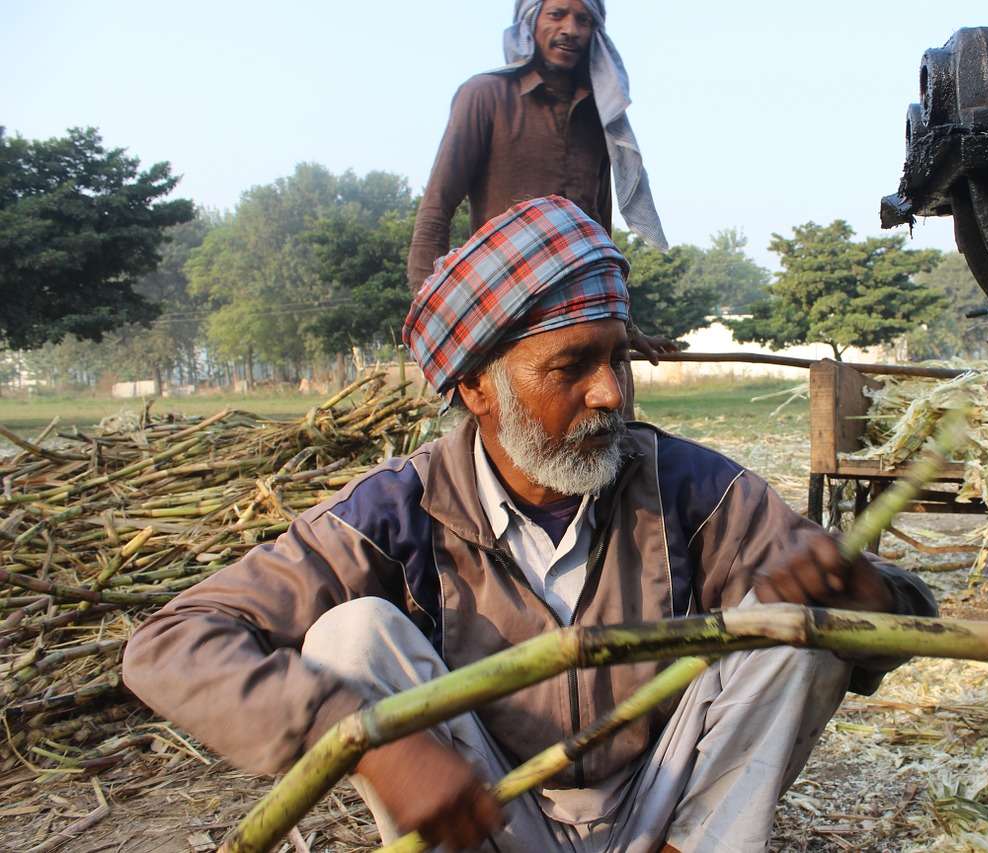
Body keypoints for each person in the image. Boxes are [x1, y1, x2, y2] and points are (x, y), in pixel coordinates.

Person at [124, 197, 937, 853]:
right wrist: (365, 741)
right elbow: (169, 643)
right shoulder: (395, 512)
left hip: (673, 818)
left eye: (616, 357)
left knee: (793, 625)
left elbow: (904, 619)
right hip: (492, 819)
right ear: (478, 387)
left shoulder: (693, 490)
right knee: (353, 636)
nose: (613, 392)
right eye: (571, 366)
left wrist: (861, 595)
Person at [407, 0, 674, 370]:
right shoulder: (484, 95)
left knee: (612, 420)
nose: (570, 29)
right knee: (504, 424)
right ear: (529, 22)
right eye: (557, 14)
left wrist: (625, 324)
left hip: (589, 317)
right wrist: (433, 318)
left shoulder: (601, 115)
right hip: (506, 318)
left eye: (584, 19)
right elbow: (436, 211)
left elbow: (601, 233)